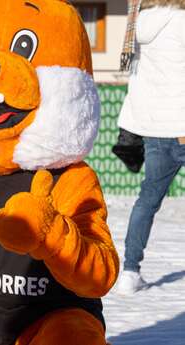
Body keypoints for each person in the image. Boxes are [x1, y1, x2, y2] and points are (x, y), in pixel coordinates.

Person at [116, 0, 185, 294]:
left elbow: (138, 83)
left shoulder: (137, 27)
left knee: (147, 201)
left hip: (158, 129)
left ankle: (130, 272)